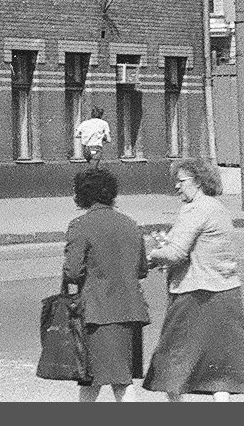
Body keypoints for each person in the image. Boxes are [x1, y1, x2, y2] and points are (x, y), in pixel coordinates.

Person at [143, 158, 244, 401]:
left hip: (194, 295)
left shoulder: (195, 209)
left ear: (197, 182)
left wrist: (151, 255)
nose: (176, 186)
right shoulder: (218, 208)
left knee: (173, 361)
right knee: (219, 366)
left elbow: (176, 252)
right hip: (226, 292)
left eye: (180, 181)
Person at [63, 167, 150, 402]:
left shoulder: (81, 225)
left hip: (98, 313)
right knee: (119, 377)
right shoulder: (130, 224)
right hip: (131, 310)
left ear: (82, 195)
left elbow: (72, 272)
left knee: (96, 378)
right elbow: (142, 269)